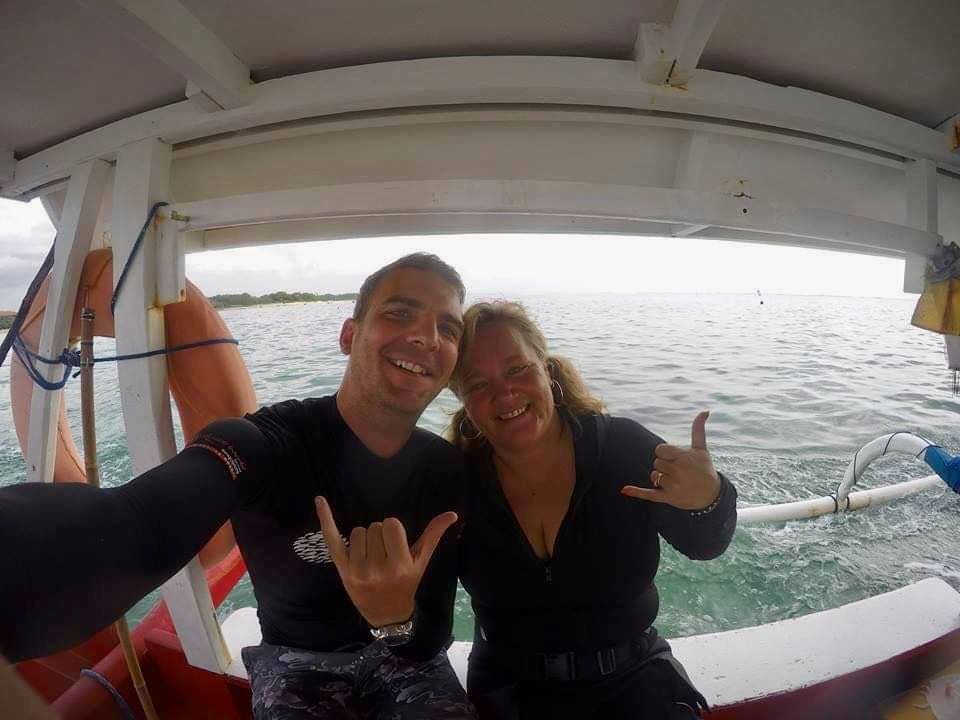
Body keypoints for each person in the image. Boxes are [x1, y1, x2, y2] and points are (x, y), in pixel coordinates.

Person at [0, 253, 476, 720]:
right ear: (348, 335)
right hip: (297, 665)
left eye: (448, 328)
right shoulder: (260, 443)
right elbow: (134, 526)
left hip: (409, 657)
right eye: (399, 313)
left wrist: (393, 618)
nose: (425, 337)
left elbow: (430, 636)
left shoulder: (443, 469)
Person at [447, 301, 737, 720]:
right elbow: (423, 624)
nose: (504, 393)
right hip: (510, 692)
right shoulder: (454, 482)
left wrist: (708, 497)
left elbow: (707, 543)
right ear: (463, 401)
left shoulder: (621, 447)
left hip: (635, 682)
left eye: (517, 369)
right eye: (477, 383)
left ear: (545, 369)